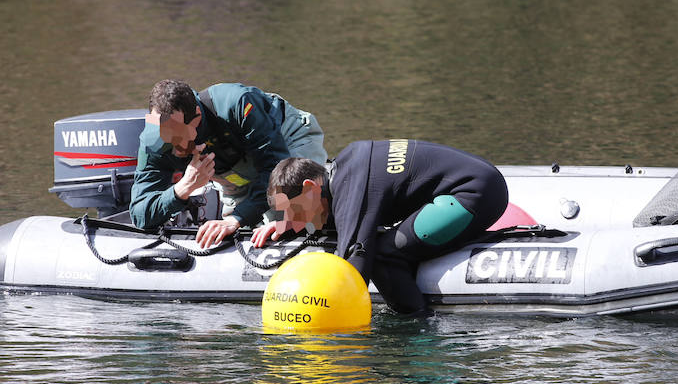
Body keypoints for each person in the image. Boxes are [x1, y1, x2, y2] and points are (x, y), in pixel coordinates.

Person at [251, 139, 509, 314]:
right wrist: (289, 223)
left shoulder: (353, 189)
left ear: (310, 187)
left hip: (473, 193)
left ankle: (415, 331)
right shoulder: (346, 170)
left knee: (384, 256)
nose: (295, 223)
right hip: (479, 180)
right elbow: (339, 217)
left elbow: (352, 269)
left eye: (293, 211)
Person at [130, 80, 327, 247]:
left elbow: (274, 168)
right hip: (231, 169)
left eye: (177, 135)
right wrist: (181, 189)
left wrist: (237, 219)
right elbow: (140, 215)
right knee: (244, 234)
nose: (169, 143)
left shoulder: (238, 103)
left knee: (284, 220)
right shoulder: (153, 140)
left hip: (287, 141)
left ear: (197, 118)